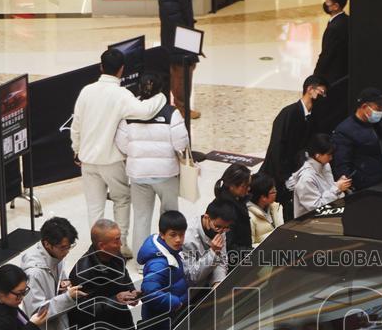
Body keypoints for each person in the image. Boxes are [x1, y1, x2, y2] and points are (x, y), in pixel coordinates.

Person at [71, 48, 168, 259]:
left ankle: (97, 248)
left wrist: (76, 150)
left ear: (100, 66)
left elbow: (75, 125)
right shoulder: (122, 95)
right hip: (112, 160)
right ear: (122, 69)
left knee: (94, 206)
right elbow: (145, 111)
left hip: (88, 160)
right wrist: (160, 96)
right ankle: (119, 245)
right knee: (122, 200)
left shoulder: (86, 91)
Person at [114, 72, 190, 257]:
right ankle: (171, 253)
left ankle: (143, 260)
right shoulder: (171, 113)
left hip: (138, 175)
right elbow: (181, 144)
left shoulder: (129, 114)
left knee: (141, 217)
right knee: (170, 214)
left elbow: (122, 144)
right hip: (166, 174)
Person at [261, 75, 328, 222]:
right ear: (310, 89)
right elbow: (276, 148)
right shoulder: (288, 114)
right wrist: (284, 177)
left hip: (296, 174)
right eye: (321, 93)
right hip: (278, 175)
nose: (323, 97)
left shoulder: (312, 117)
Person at [138, 210, 189, 330]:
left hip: (171, 320)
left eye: (181, 235)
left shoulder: (171, 252)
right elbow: (150, 292)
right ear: (162, 235)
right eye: (173, 235)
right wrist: (175, 302)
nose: (178, 239)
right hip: (163, 325)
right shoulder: (159, 263)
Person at [332, 87, 382, 192]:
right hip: (363, 189)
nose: (381, 111)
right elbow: (342, 164)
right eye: (378, 108)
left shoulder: (376, 124)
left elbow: (381, 147)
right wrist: (350, 188)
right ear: (364, 106)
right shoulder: (344, 130)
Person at [287, 133, 351, 217]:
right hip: (311, 224)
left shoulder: (325, 165)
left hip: (332, 215)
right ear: (317, 155)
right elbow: (316, 207)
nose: (331, 158)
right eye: (329, 155)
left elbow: (328, 188)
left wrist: (340, 185)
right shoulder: (306, 178)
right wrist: (337, 188)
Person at [158, 0, 200, 119]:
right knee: (181, 71)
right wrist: (187, 34)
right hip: (178, 39)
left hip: (183, 36)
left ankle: (182, 106)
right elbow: (172, 18)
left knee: (186, 68)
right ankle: (181, 108)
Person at [182, 204, 234, 298]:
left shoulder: (220, 229)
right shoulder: (187, 238)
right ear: (206, 218)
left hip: (208, 286)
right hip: (189, 294)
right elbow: (191, 276)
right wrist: (213, 253)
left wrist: (218, 282)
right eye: (218, 227)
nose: (221, 232)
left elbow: (222, 260)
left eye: (226, 228)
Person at [206, 164, 252, 267]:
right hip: (231, 263)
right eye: (244, 186)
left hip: (243, 256)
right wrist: (253, 252)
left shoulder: (238, 200)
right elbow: (229, 246)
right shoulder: (226, 210)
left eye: (249, 185)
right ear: (231, 186)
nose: (248, 189)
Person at [314, 0, 349, 84]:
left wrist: (315, 77)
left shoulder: (333, 28)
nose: (325, 3)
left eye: (327, 1)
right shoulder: (347, 20)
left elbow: (326, 55)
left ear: (336, 6)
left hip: (333, 76)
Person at [247, 172, 285, 244]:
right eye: (273, 192)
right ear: (263, 197)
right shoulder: (249, 217)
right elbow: (249, 247)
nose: (276, 192)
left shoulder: (276, 208)